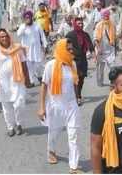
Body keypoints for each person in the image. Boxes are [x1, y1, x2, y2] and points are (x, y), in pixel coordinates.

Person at [37, 39, 81, 174]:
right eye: (68, 49)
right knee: (54, 132)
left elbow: (74, 84)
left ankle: (73, 166)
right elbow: (44, 86)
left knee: (73, 135)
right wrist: (42, 107)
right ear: (61, 49)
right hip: (56, 105)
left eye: (72, 48)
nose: (71, 51)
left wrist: (78, 97)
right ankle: (51, 150)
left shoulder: (72, 64)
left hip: (72, 105)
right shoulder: (50, 65)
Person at [0, 29, 32, 137]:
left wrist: (27, 79)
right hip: (4, 84)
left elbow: (24, 65)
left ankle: (19, 124)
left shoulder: (18, 48)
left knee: (19, 104)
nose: (4, 38)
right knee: (7, 108)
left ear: (9, 36)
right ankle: (10, 127)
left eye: (5, 36)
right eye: (1, 37)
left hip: (18, 81)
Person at [66, 17, 95, 106]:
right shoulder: (70, 35)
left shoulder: (85, 34)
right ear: (75, 24)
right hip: (73, 60)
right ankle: (77, 96)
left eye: (82, 23)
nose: (81, 25)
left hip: (83, 60)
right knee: (75, 79)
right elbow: (66, 46)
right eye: (79, 23)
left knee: (81, 79)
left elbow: (90, 46)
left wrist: (94, 56)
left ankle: (78, 94)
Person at [17, 10, 48, 86]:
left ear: (31, 17)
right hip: (27, 49)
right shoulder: (23, 26)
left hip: (37, 48)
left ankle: (39, 76)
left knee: (38, 64)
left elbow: (42, 35)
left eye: (29, 17)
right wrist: (24, 25)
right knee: (29, 65)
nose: (28, 19)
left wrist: (45, 45)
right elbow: (18, 34)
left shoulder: (37, 25)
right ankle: (32, 81)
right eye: (26, 17)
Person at [94, 9, 116, 87]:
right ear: (102, 16)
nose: (106, 17)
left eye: (107, 15)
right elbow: (96, 38)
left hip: (110, 50)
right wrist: (98, 48)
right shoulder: (98, 25)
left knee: (112, 67)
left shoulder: (112, 24)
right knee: (100, 69)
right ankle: (100, 82)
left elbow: (114, 37)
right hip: (101, 50)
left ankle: (112, 82)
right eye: (105, 15)